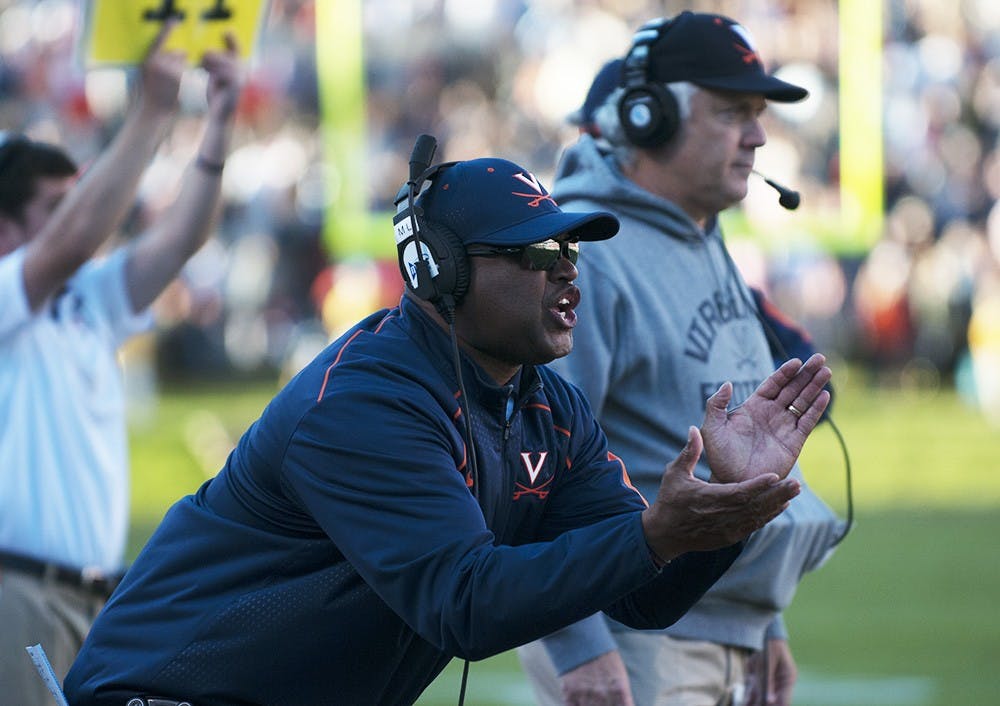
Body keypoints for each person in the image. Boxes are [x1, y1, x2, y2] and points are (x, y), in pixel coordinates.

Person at [64, 144, 832, 706]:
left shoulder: (548, 404)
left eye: (570, 247)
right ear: (439, 271)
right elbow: (464, 603)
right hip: (164, 694)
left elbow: (644, 598)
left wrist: (720, 504)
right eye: (537, 251)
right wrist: (661, 532)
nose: (567, 269)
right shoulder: (364, 403)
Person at [517, 12, 845, 706]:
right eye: (733, 112)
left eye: (759, 114)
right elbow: (533, 462)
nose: (758, 135)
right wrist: (579, 645)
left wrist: (763, 617)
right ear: (649, 116)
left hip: (722, 631)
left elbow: (733, 454)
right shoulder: (593, 254)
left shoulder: (701, 237)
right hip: (635, 639)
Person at [0, 22, 244, 704]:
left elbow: (181, 239)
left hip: (97, 593)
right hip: (17, 595)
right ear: (4, 228)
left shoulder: (83, 299)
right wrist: (153, 111)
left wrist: (218, 123)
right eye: (54, 206)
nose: (77, 216)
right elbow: (77, 238)